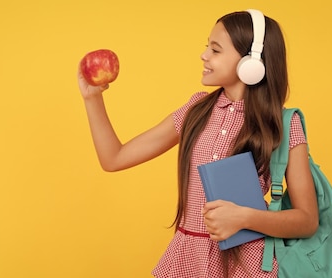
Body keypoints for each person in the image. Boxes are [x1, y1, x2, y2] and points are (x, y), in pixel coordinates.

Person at [77, 9, 319, 278]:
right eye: (207, 47)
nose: (204, 56)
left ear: (252, 62)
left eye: (216, 50)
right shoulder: (195, 110)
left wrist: (244, 218)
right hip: (188, 258)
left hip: (246, 263)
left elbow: (307, 220)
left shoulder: (282, 124)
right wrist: (92, 99)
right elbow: (114, 158)